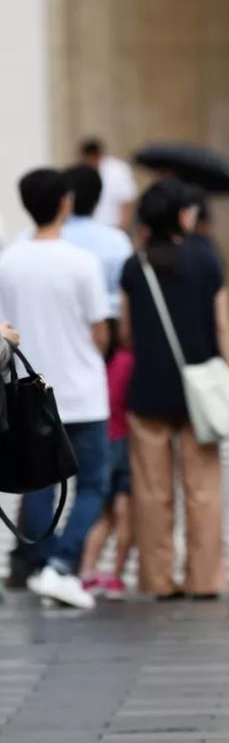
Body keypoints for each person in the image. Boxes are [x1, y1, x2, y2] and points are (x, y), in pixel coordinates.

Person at [0, 168, 110, 609]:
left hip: (30, 391)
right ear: (65, 202)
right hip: (84, 389)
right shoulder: (83, 262)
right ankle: (61, 565)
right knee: (94, 483)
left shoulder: (9, 260)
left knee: (40, 482)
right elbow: (100, 331)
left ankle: (44, 563)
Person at [119, 179, 229, 599]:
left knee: (151, 491)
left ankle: (158, 579)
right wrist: (226, 376)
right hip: (200, 389)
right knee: (203, 490)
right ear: (183, 216)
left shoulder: (135, 266)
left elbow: (126, 333)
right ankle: (204, 579)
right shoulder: (206, 261)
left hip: (148, 388)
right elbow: (223, 326)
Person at [79, 341, 135, 598]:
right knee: (125, 514)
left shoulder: (94, 363)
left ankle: (87, 571)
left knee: (104, 515)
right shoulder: (127, 362)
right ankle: (116, 575)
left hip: (102, 441)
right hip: (124, 443)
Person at [62, 164, 134, 319]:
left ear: (64, 198)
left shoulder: (38, 240)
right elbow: (124, 293)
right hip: (108, 323)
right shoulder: (117, 240)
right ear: (99, 197)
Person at [79, 138, 137, 232]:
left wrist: (123, 228)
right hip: (92, 228)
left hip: (114, 228)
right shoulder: (85, 172)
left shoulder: (118, 170)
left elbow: (127, 201)